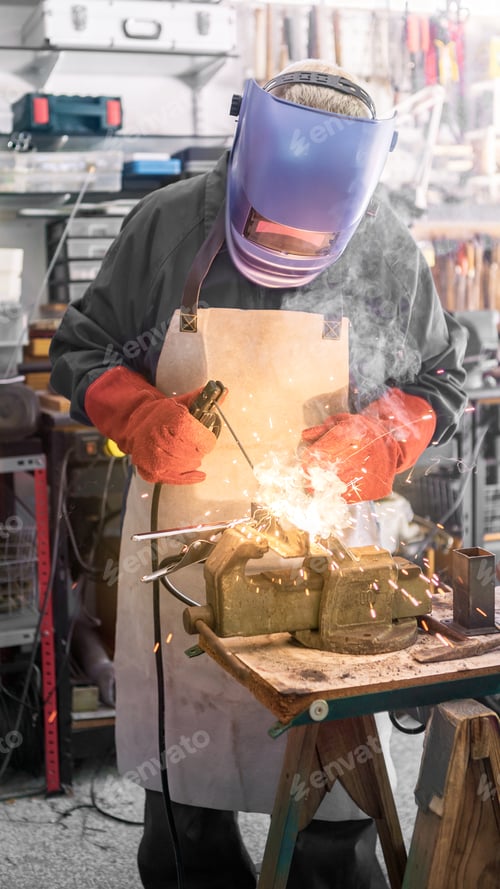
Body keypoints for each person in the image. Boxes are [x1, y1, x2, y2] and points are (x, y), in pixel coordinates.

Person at [49, 58, 467, 889]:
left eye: (313, 247)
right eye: (272, 232)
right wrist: (135, 413)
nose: (287, 254)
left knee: (335, 814)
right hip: (183, 548)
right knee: (184, 816)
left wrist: (382, 436)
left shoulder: (385, 244)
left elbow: (440, 380)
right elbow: (79, 350)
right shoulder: (165, 224)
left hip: (329, 555)